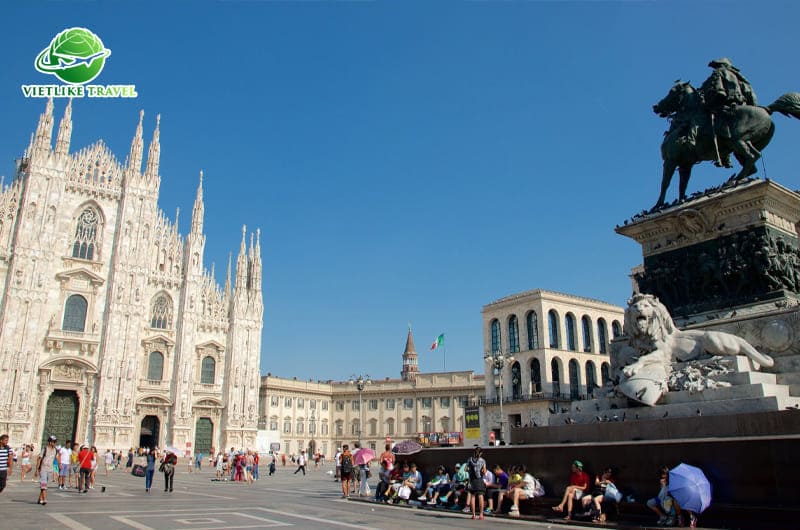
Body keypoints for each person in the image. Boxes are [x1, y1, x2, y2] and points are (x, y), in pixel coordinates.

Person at [699, 58, 757, 168]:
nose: (715, 69)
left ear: (721, 66)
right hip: (742, 107)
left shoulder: (719, 73)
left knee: (716, 128)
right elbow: (751, 96)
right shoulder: (741, 79)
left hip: (726, 107)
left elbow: (719, 93)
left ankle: (724, 156)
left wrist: (707, 104)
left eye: (716, 66)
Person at [466, 446, 487, 520]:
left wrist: (470, 470)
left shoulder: (469, 459)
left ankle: (474, 514)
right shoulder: (482, 461)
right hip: (479, 480)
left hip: (472, 480)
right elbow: (484, 472)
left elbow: (466, 469)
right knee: (480, 496)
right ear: (481, 453)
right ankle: (481, 515)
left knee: (473, 496)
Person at [36, 435, 58, 505]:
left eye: (55, 442)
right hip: (43, 468)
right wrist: (37, 469)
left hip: (50, 469)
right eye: (53, 442)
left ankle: (40, 499)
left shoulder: (55, 450)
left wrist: (59, 466)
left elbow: (57, 458)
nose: (54, 443)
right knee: (43, 484)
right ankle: (44, 499)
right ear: (50, 442)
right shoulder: (45, 449)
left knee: (44, 485)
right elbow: (39, 459)